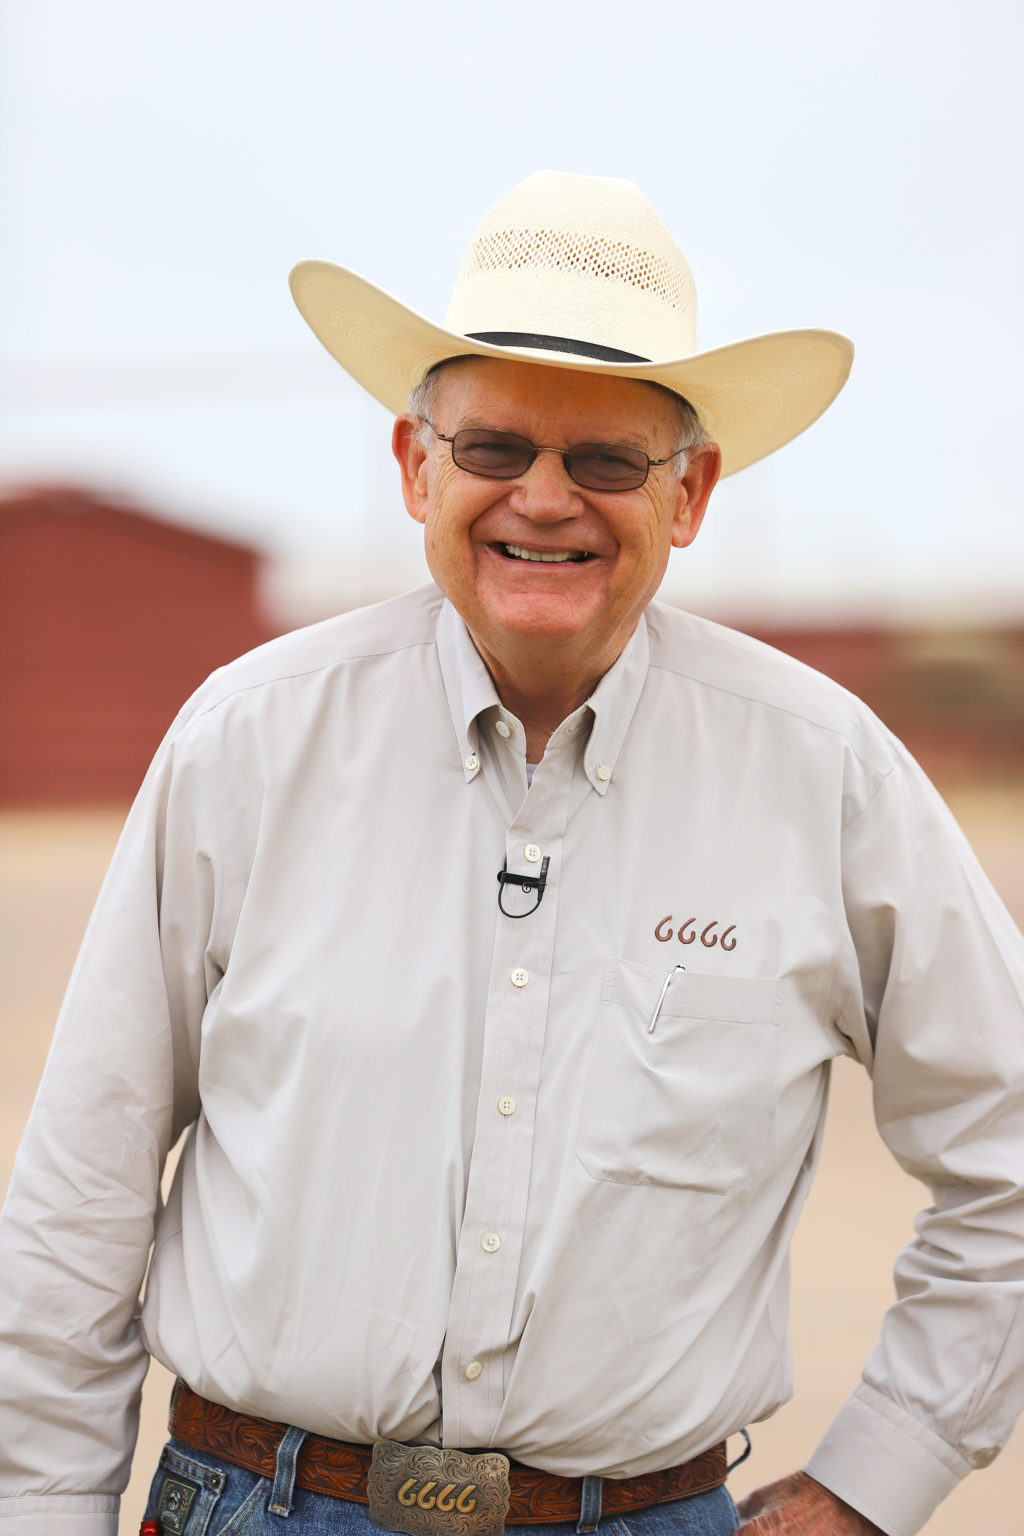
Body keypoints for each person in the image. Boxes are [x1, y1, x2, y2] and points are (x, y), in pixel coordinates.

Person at [1, 171, 1022, 1536]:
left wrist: (872, 1481)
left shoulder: (826, 776)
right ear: (416, 466)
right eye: (494, 450)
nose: (544, 501)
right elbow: (84, 1190)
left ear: (690, 492)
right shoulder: (247, 745)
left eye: (606, 459)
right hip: (259, 1507)